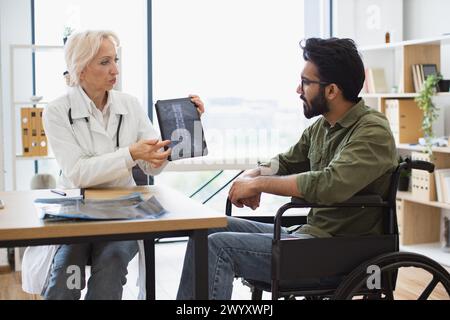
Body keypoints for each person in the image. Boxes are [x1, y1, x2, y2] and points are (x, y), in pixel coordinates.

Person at [177, 37, 397, 300]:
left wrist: (258, 185)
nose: (298, 89)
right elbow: (284, 162)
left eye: (305, 82)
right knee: (205, 229)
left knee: (218, 247)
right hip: (307, 238)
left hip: (338, 253)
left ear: (331, 91)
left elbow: (330, 184)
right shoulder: (321, 127)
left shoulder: (372, 131)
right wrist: (252, 175)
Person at [21, 30, 205, 300]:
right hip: (76, 214)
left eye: (115, 60)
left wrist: (186, 125)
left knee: (111, 264)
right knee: (65, 277)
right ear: (81, 69)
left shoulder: (129, 105)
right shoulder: (57, 111)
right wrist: (130, 154)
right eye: (105, 62)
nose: (115, 69)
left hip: (123, 214)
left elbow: (152, 165)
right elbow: (78, 172)